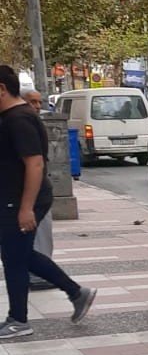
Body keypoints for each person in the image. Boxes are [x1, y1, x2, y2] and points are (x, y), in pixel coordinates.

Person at [0, 66, 97, 338]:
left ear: (2, 89)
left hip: (20, 200)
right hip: (14, 199)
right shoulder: (12, 117)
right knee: (20, 255)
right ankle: (77, 293)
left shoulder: (18, 120)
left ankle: (19, 319)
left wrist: (26, 207)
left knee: (14, 259)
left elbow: (35, 163)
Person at [20, 89, 56, 292]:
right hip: (27, 191)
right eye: (31, 101)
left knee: (41, 232)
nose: (37, 106)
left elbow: (37, 163)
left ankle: (42, 273)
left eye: (39, 102)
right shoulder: (21, 122)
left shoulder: (31, 124)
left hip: (38, 190)